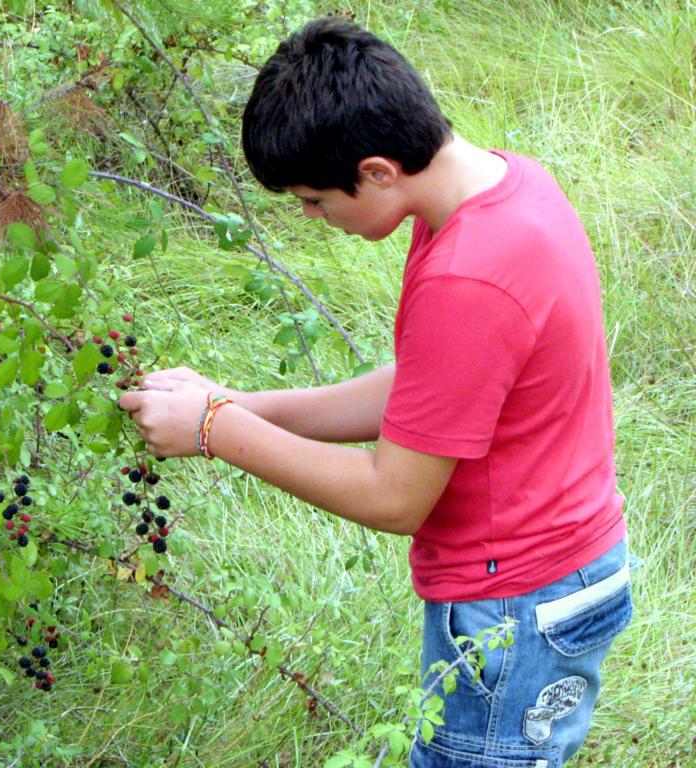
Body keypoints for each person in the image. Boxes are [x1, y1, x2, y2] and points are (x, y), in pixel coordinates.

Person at [117, 17, 633, 767]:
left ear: (379, 170)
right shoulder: (497, 190)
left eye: (316, 202)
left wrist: (215, 432)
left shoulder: (467, 275)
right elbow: (435, 389)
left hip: (517, 607)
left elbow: (394, 496)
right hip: (566, 569)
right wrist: (239, 401)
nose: (312, 218)